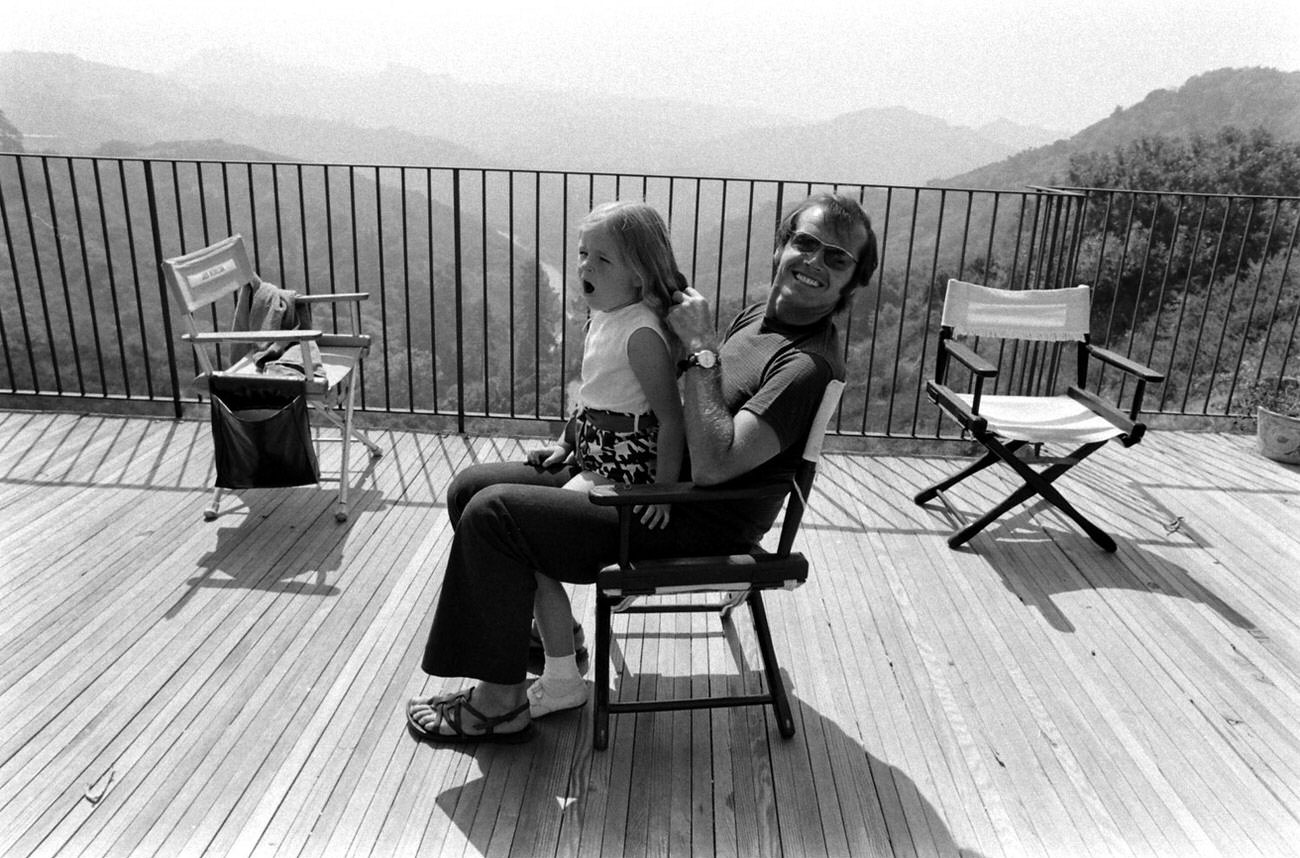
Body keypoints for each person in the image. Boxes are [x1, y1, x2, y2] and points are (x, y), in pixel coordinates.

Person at [406, 192, 878, 743]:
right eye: (805, 242)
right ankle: (546, 641)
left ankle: (499, 703)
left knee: (493, 515)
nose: (814, 262)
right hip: (644, 474)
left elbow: (714, 465)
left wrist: (703, 346)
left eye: (837, 258)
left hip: (692, 516)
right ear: (781, 245)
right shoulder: (760, 319)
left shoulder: (805, 366)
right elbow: (659, 392)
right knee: (471, 488)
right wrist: (579, 442)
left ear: (853, 283)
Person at [521, 201, 686, 718]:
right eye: (582, 254)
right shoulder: (606, 317)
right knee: (515, 524)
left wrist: (660, 490)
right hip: (592, 458)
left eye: (602, 260)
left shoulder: (641, 335)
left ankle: (562, 673)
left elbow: (671, 418)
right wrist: (567, 444)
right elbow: (595, 397)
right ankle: (560, 631)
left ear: (640, 276)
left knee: (521, 541)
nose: (585, 267)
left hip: (621, 477)